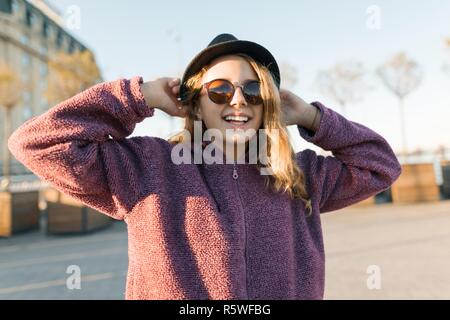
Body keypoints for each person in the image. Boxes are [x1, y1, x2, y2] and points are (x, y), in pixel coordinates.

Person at [8, 33, 401, 300]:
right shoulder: (148, 167)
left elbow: (379, 165)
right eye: (219, 90)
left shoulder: (300, 176)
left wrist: (313, 117)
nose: (238, 101)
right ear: (194, 102)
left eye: (253, 90)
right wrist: (137, 96)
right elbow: (38, 143)